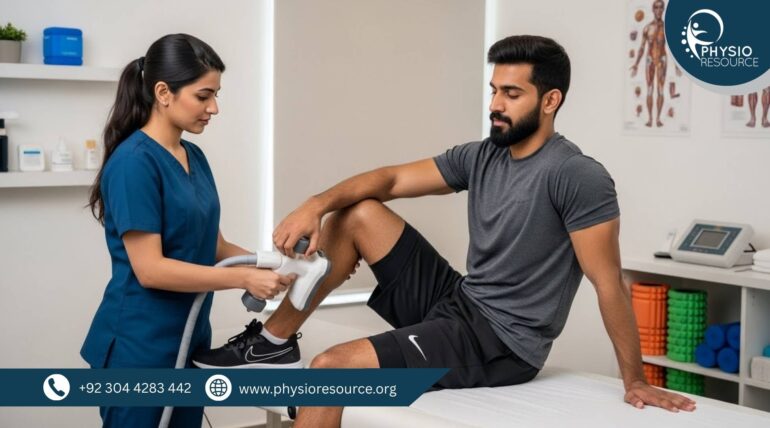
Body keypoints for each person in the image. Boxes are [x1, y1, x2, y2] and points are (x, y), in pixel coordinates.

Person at [193, 34, 696, 427]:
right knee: (360, 212)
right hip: (461, 300)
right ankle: (274, 342)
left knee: (331, 369)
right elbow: (390, 180)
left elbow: (607, 282)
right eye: (494, 90)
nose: (496, 103)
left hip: (502, 341)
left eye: (512, 93)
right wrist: (315, 205)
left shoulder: (576, 175)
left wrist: (636, 380)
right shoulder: (484, 154)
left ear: (550, 101)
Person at [82, 33, 296, 427]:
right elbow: (151, 270)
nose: (213, 107)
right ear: (163, 92)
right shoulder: (133, 164)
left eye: (216, 95)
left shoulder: (193, 156)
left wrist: (273, 267)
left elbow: (213, 246)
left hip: (188, 341)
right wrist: (240, 278)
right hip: (139, 349)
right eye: (203, 96)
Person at [630, 0, 667, 128]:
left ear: (663, 10)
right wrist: (636, 64)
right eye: (656, 8)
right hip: (650, 59)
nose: (658, 10)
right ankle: (650, 119)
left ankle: (658, 119)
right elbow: (641, 47)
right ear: (653, 10)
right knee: (650, 90)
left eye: (661, 8)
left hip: (662, 59)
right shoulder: (647, 28)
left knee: (661, 90)